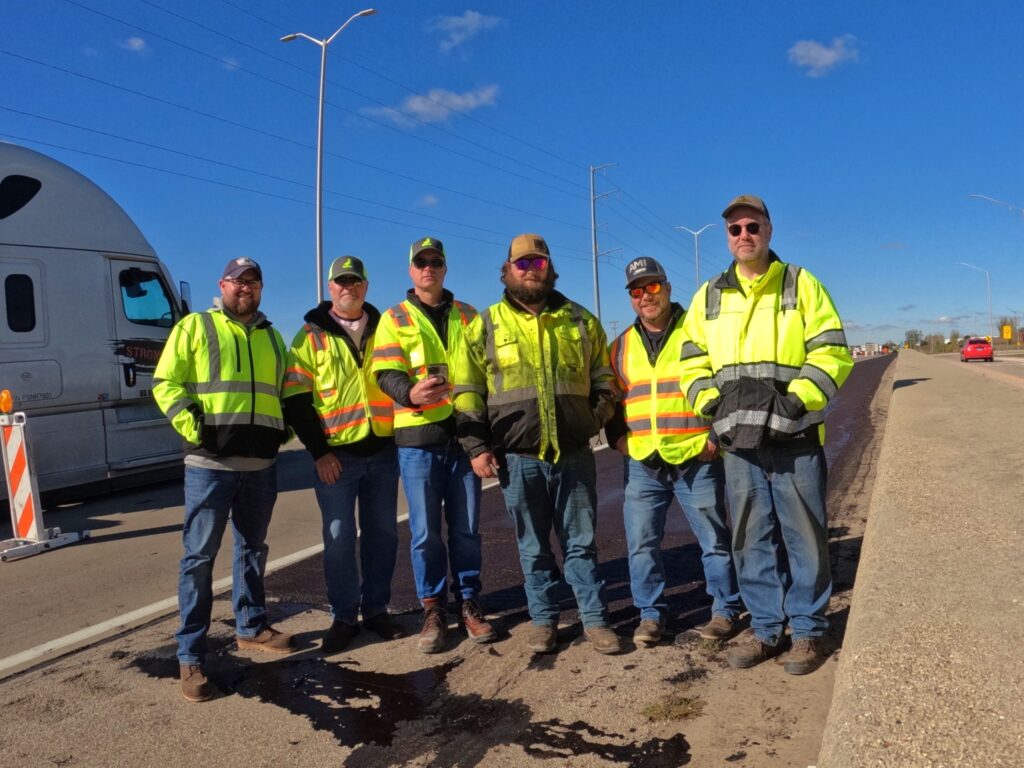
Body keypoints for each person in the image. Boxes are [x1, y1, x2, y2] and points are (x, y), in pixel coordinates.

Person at [679, 195, 853, 675]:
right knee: (751, 538)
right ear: (727, 236)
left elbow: (832, 352)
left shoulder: (801, 284)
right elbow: (690, 360)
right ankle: (765, 629)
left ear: (769, 230)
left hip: (795, 439)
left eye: (752, 226)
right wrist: (712, 407)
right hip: (740, 446)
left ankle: (809, 631)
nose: (743, 236)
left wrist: (795, 402)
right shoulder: (710, 295)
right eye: (734, 229)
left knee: (806, 538)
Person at [451, 233, 621, 655]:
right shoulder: (485, 325)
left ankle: (595, 620)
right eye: (523, 264)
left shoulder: (580, 320)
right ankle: (544, 620)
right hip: (518, 458)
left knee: (580, 543)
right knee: (533, 546)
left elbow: (604, 378)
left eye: (539, 263)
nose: (531, 271)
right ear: (507, 271)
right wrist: (477, 446)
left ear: (550, 268)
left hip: (574, 454)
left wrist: (592, 418)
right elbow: (468, 390)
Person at [154, 256, 294, 703]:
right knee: (199, 558)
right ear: (223, 285)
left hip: (259, 467)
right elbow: (165, 384)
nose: (245, 289)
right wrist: (197, 429)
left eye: (253, 282)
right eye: (238, 282)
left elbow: (289, 394)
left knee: (253, 550)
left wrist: (281, 435)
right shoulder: (196, 327)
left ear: (261, 288)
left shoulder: (274, 337)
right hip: (209, 467)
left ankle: (251, 627)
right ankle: (190, 655)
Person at [606, 256, 742, 647]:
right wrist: (618, 438)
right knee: (641, 545)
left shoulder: (697, 332)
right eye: (636, 290)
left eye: (652, 287)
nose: (645, 296)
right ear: (631, 298)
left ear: (666, 286)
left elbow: (725, 384)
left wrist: (716, 434)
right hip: (644, 464)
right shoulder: (620, 346)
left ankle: (724, 610)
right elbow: (611, 398)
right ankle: (651, 615)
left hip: (696, 458)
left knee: (713, 541)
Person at [371, 237, 496, 653]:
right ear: (410, 270)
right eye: (421, 262)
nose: (429, 268)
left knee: (466, 531)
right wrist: (410, 394)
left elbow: (485, 371)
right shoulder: (394, 317)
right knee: (425, 534)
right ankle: (432, 608)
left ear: (445, 268)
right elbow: (384, 371)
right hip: (418, 441)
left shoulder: (469, 315)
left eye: (436, 261)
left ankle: (469, 603)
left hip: (463, 438)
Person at [282, 255, 404, 655]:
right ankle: (344, 616)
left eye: (354, 281)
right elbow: (297, 401)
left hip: (383, 452)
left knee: (383, 535)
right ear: (329, 288)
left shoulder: (386, 328)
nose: (347, 287)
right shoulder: (310, 336)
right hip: (336, 459)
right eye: (340, 282)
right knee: (337, 539)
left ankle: (376, 610)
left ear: (365, 286)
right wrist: (319, 453)